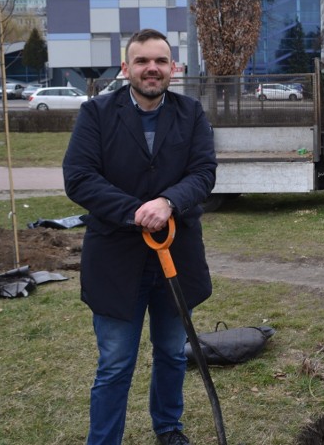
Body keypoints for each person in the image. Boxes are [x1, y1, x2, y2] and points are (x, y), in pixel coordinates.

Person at [63, 28, 217, 445]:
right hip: (115, 259)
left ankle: (168, 428)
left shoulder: (191, 113)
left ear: (173, 68)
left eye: (161, 61)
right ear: (126, 67)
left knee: (171, 353)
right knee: (114, 362)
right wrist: (135, 212)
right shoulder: (96, 113)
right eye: (143, 61)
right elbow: (78, 178)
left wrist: (168, 201)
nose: (153, 68)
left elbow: (203, 173)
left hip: (175, 258)